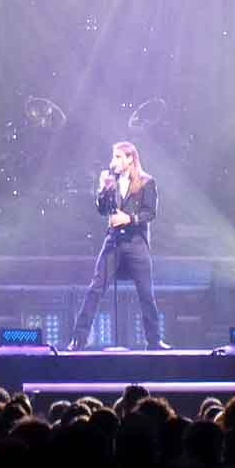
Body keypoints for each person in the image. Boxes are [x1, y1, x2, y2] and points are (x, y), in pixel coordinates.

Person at [66, 140, 166, 350]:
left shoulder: (147, 182)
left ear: (130, 159)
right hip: (113, 241)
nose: (114, 162)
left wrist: (129, 218)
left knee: (146, 294)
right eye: (113, 157)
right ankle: (79, 338)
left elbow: (151, 213)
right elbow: (102, 210)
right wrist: (102, 189)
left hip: (136, 243)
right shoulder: (111, 182)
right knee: (95, 289)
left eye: (118, 157)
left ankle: (154, 340)